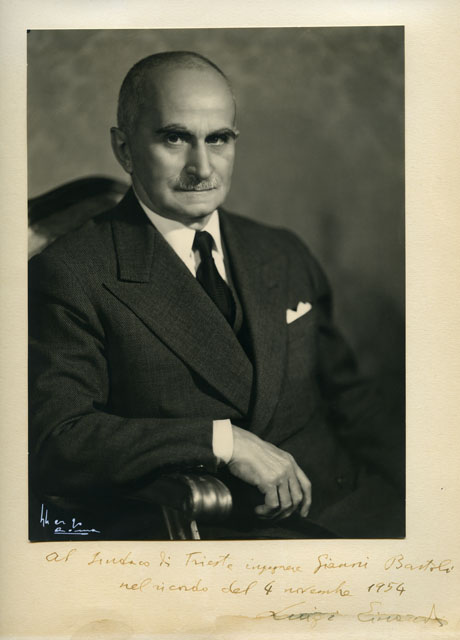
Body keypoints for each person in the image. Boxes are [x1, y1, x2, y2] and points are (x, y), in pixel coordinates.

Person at [28, 51, 404, 540]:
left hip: (361, 506)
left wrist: (429, 492)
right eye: (174, 138)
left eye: (218, 139)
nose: (201, 167)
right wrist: (223, 442)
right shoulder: (69, 273)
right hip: (233, 538)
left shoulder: (281, 250)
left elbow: (351, 400)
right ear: (124, 149)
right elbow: (60, 441)